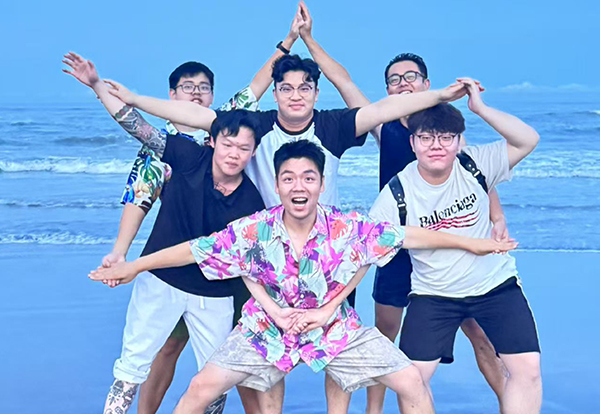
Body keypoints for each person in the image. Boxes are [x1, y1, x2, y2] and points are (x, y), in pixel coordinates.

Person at [89, 140, 517, 414]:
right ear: (277, 185)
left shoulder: (346, 227)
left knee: (410, 381)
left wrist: (473, 243)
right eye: (289, 178)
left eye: (308, 178)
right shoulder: (253, 229)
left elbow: (408, 235)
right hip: (265, 330)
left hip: (333, 329)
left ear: (320, 184)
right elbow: (194, 249)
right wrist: (133, 266)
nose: (299, 186)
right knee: (201, 387)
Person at [62, 13, 305, 411]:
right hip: (160, 279)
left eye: (244, 149)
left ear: (253, 151)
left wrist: (289, 41)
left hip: (215, 293)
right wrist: (97, 85)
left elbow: (257, 86)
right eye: (228, 145)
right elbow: (136, 130)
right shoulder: (184, 153)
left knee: (216, 382)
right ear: (214, 140)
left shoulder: (250, 200)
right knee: (132, 369)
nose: (234, 153)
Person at [293, 3, 509, 410]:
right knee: (383, 336)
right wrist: (308, 39)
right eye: (394, 80)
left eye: (411, 76)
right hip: (397, 245)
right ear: (389, 92)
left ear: (426, 83)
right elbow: (343, 80)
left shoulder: (446, 130)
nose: (403, 83)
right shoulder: (383, 124)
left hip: (448, 245)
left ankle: (509, 403)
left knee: (479, 334)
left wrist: (496, 218)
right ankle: (374, 410)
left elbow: (479, 176)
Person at [369, 79, 541, 414]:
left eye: (446, 137)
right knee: (413, 380)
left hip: (494, 286)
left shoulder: (475, 163)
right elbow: (373, 240)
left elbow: (528, 139)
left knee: (527, 369)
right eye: (426, 138)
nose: (436, 146)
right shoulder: (398, 191)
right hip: (432, 294)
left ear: (459, 141)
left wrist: (480, 108)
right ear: (413, 143)